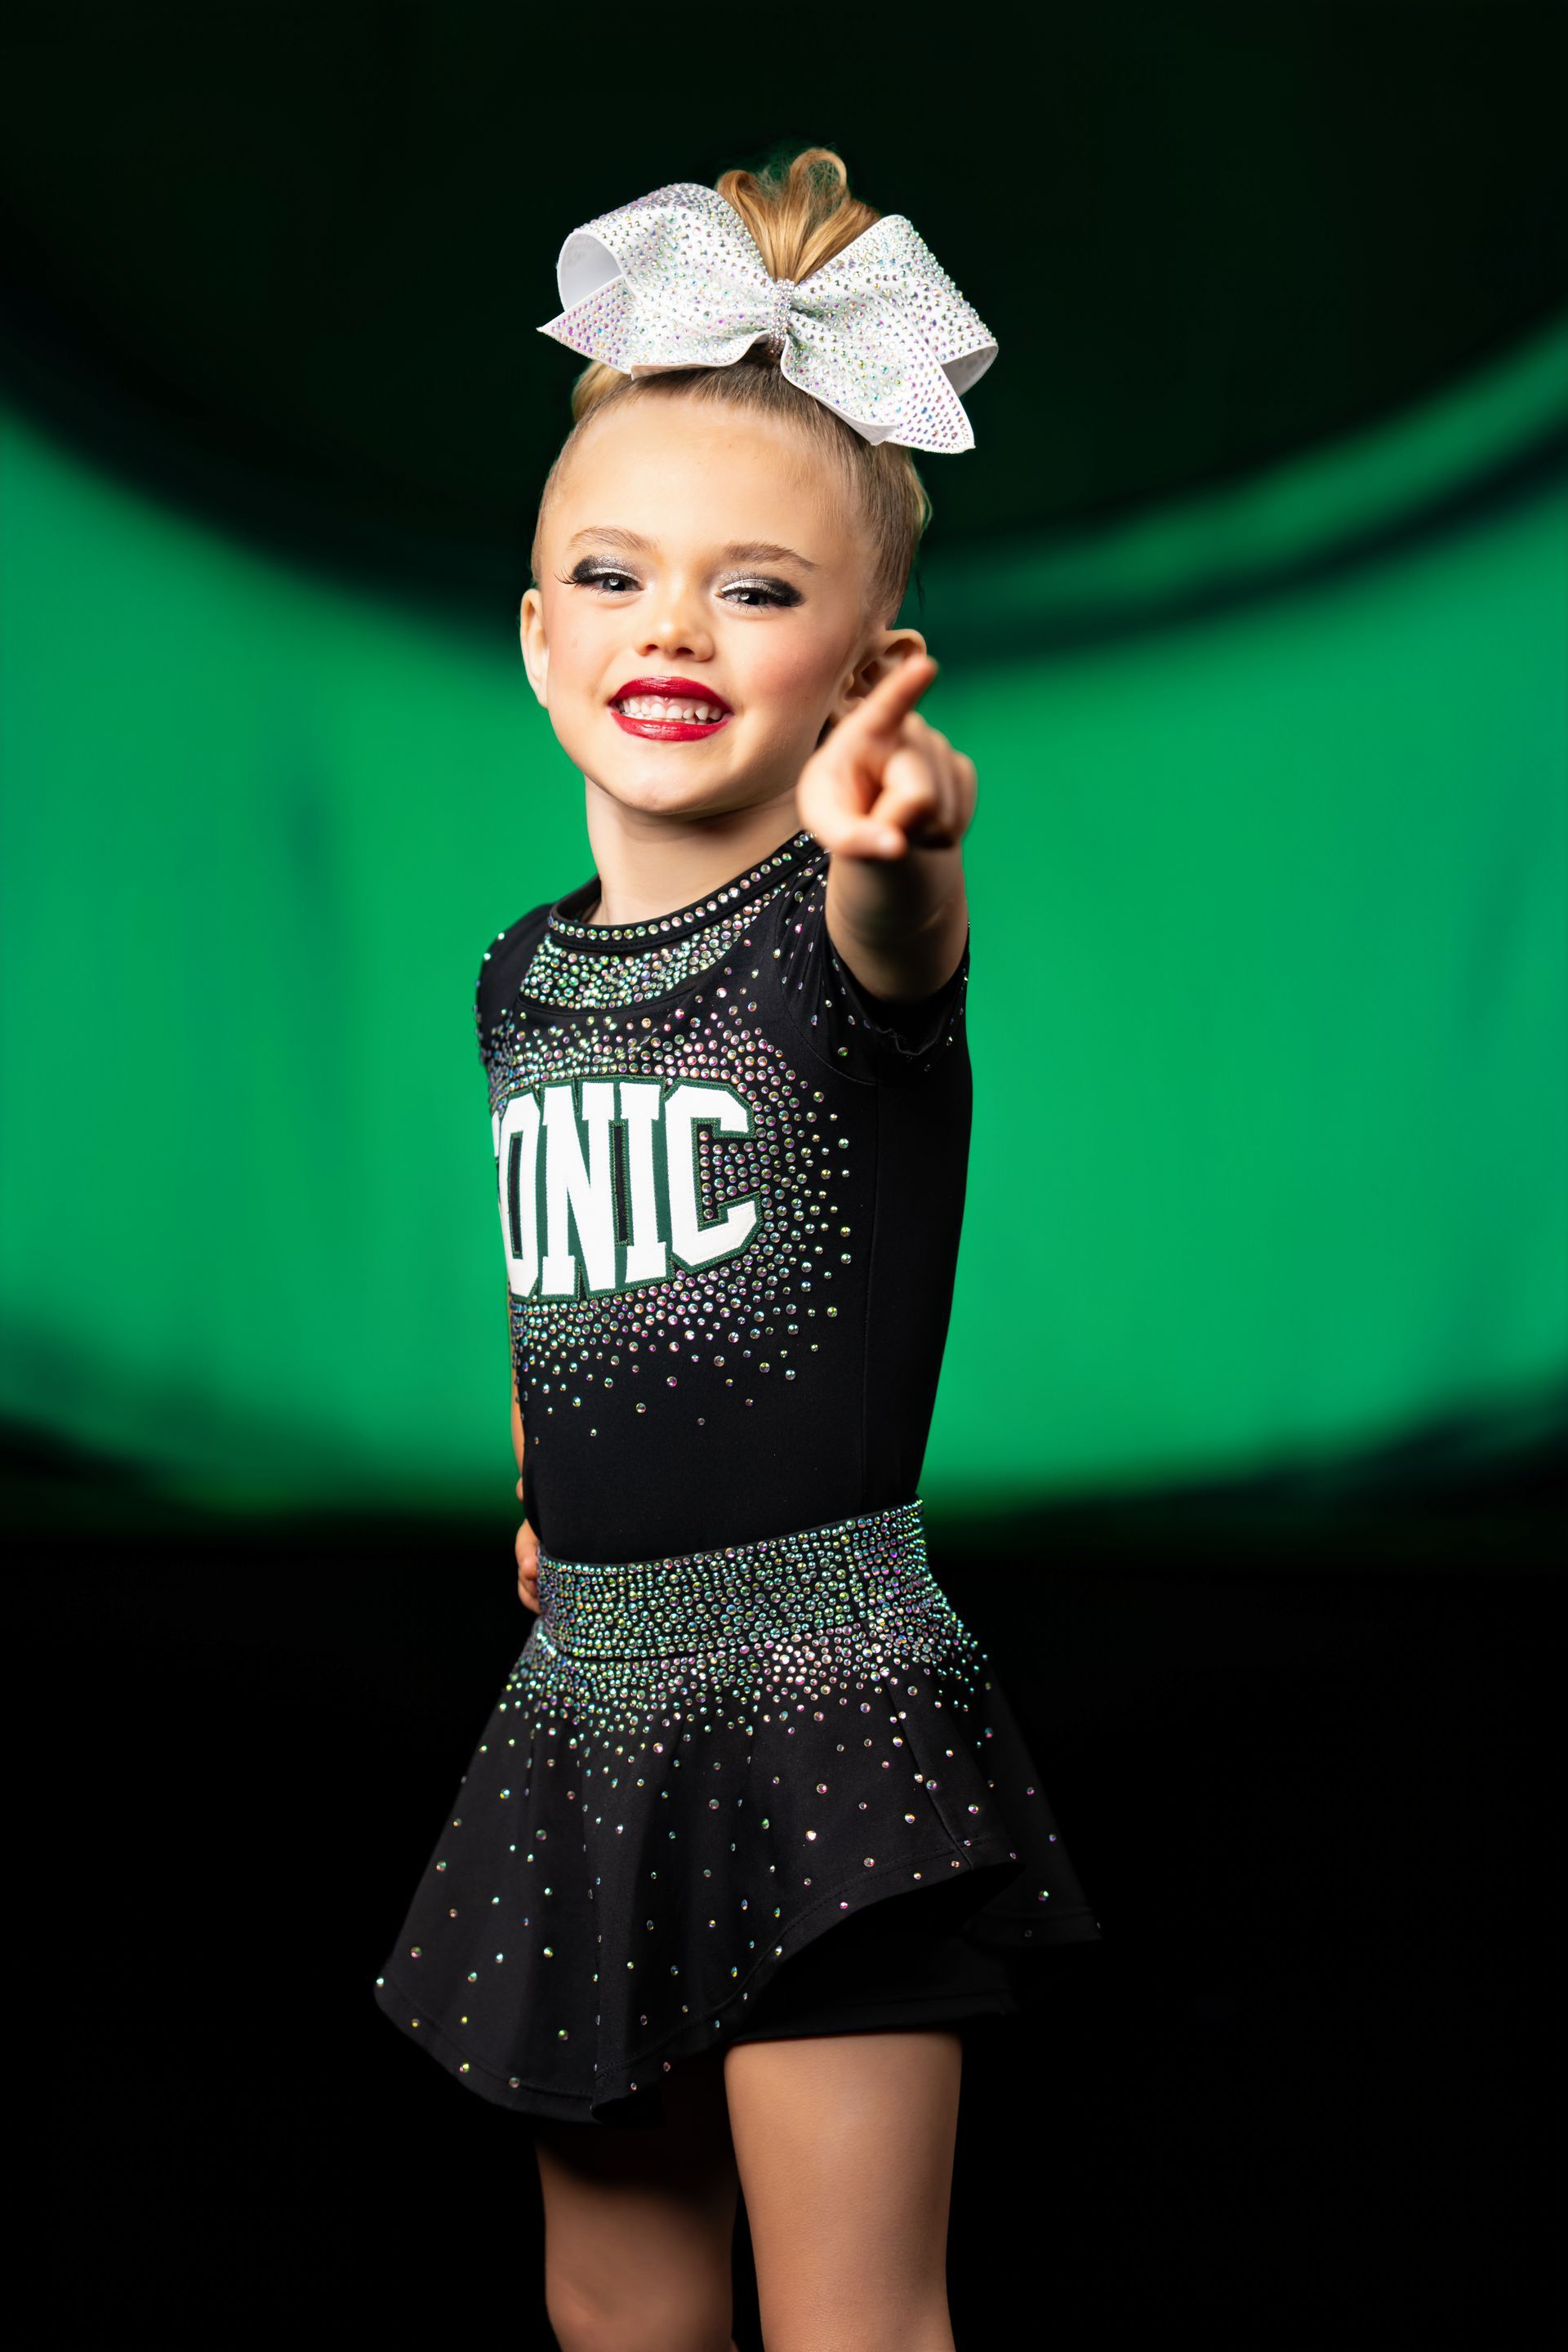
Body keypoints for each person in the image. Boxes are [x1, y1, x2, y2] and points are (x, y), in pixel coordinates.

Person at [374, 146, 1102, 2352]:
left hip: (823, 1705)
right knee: (616, 2298)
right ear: (538, 636)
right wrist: (548, 1475)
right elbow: (568, 1277)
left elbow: (901, 927)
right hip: (589, 1700)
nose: (673, 628)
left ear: (868, 668)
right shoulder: (518, 974)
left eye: (756, 591)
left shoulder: (837, 942)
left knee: (852, 2314)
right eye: (613, 574)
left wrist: (903, 848)